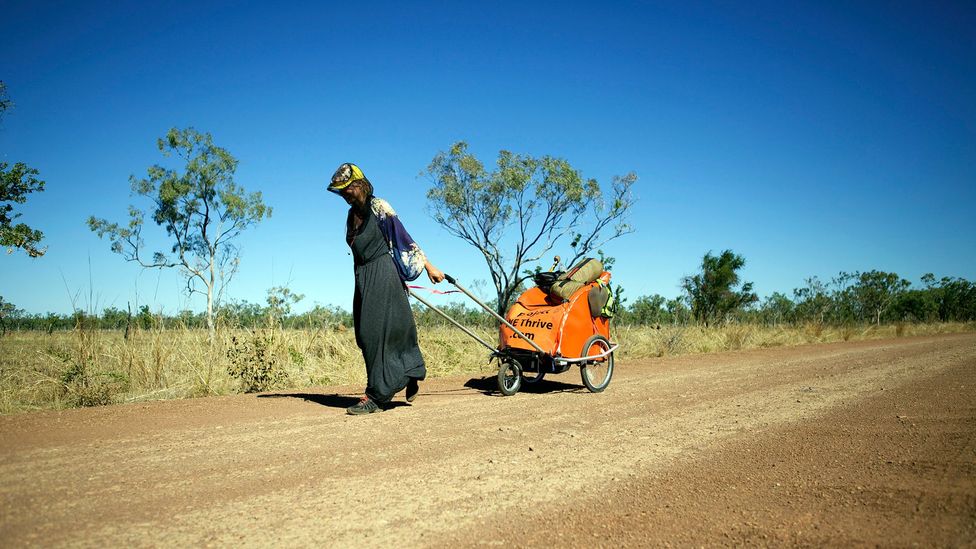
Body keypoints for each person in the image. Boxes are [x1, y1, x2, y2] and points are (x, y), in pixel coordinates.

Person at [328, 163, 445, 415]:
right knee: (364, 333)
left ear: (359, 185)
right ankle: (410, 371)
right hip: (362, 276)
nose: (344, 195)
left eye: (347, 189)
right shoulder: (351, 215)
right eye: (341, 192)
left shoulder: (379, 206)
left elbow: (404, 239)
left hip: (383, 273)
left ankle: (377, 396)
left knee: (373, 334)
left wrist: (429, 266)